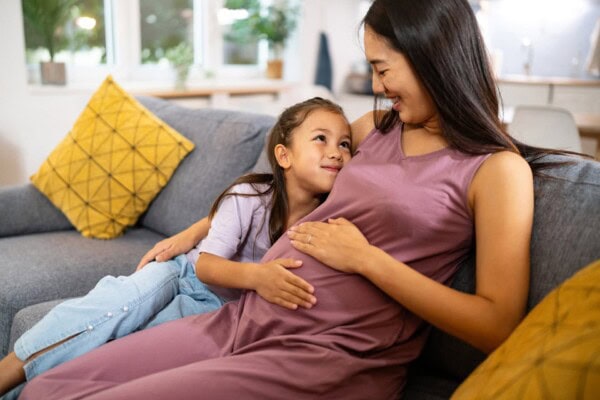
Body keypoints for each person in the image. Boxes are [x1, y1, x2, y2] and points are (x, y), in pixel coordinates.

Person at [18, 0, 566, 398]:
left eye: (382, 67)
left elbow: (497, 325)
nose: (378, 85)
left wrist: (367, 260)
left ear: (431, 56)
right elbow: (274, 181)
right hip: (243, 318)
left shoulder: (497, 171)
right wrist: (196, 232)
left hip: (328, 356)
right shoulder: (374, 128)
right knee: (53, 386)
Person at [0, 97, 352, 398]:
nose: (336, 152)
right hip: (181, 273)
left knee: (124, 350)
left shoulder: (329, 220)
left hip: (215, 309)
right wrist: (258, 277)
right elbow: (206, 267)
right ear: (284, 156)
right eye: (321, 139)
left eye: (345, 144)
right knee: (112, 308)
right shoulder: (249, 197)